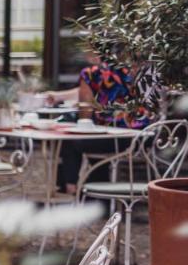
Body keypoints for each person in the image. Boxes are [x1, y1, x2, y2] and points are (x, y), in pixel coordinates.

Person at [56, 56, 151, 193]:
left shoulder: (92, 73)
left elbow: (85, 115)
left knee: (72, 141)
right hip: (144, 137)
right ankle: (96, 192)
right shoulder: (142, 69)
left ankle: (72, 188)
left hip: (114, 138)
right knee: (93, 144)